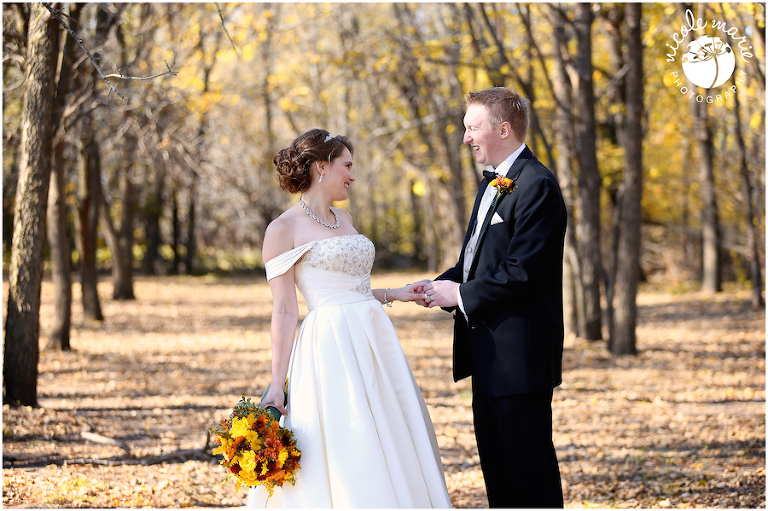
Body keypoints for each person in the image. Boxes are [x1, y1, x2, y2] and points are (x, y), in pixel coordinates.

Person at [247, 129, 452, 508]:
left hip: (375, 338)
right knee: (348, 435)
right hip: (329, 346)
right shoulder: (282, 229)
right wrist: (277, 384)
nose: (352, 176)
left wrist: (397, 293)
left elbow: (352, 290)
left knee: (390, 429)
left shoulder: (345, 217)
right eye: (348, 166)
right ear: (322, 167)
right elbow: (285, 308)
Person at [417, 87, 566, 508]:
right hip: (487, 358)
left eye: (472, 127)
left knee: (530, 477)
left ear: (503, 128)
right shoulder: (493, 185)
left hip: (519, 360)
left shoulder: (538, 185)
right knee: (500, 478)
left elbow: (522, 272)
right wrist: (435, 286)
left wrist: (460, 293)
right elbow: (477, 261)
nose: (466, 137)